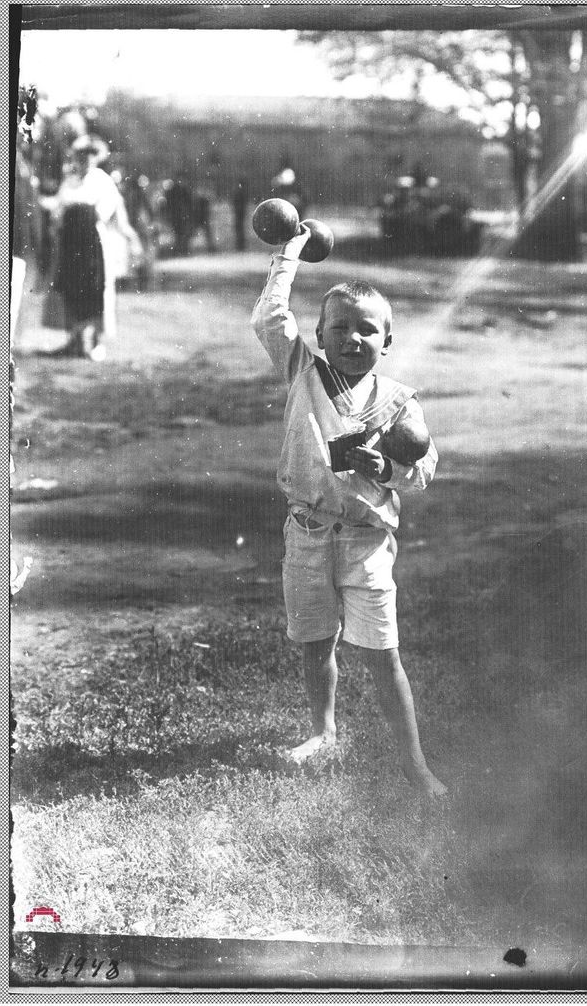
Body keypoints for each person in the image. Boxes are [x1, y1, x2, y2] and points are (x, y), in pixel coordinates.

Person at [250, 226, 447, 798]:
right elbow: (268, 318)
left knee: (382, 653)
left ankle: (415, 764)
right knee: (317, 643)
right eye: (340, 328)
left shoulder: (401, 402)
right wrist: (288, 252)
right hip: (308, 532)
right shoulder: (303, 373)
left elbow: (423, 472)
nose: (354, 339)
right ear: (319, 335)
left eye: (368, 330)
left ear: (387, 340)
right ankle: (323, 731)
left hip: (365, 541)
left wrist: (382, 469)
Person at [42, 135, 141, 359]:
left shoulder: (102, 180)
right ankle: (74, 341)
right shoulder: (70, 181)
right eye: (80, 157)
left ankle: (94, 342)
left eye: (89, 157)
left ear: (95, 159)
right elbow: (58, 205)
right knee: (70, 287)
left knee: (93, 290)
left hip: (92, 242)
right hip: (70, 243)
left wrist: (79, 212)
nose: (84, 161)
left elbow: (104, 211)